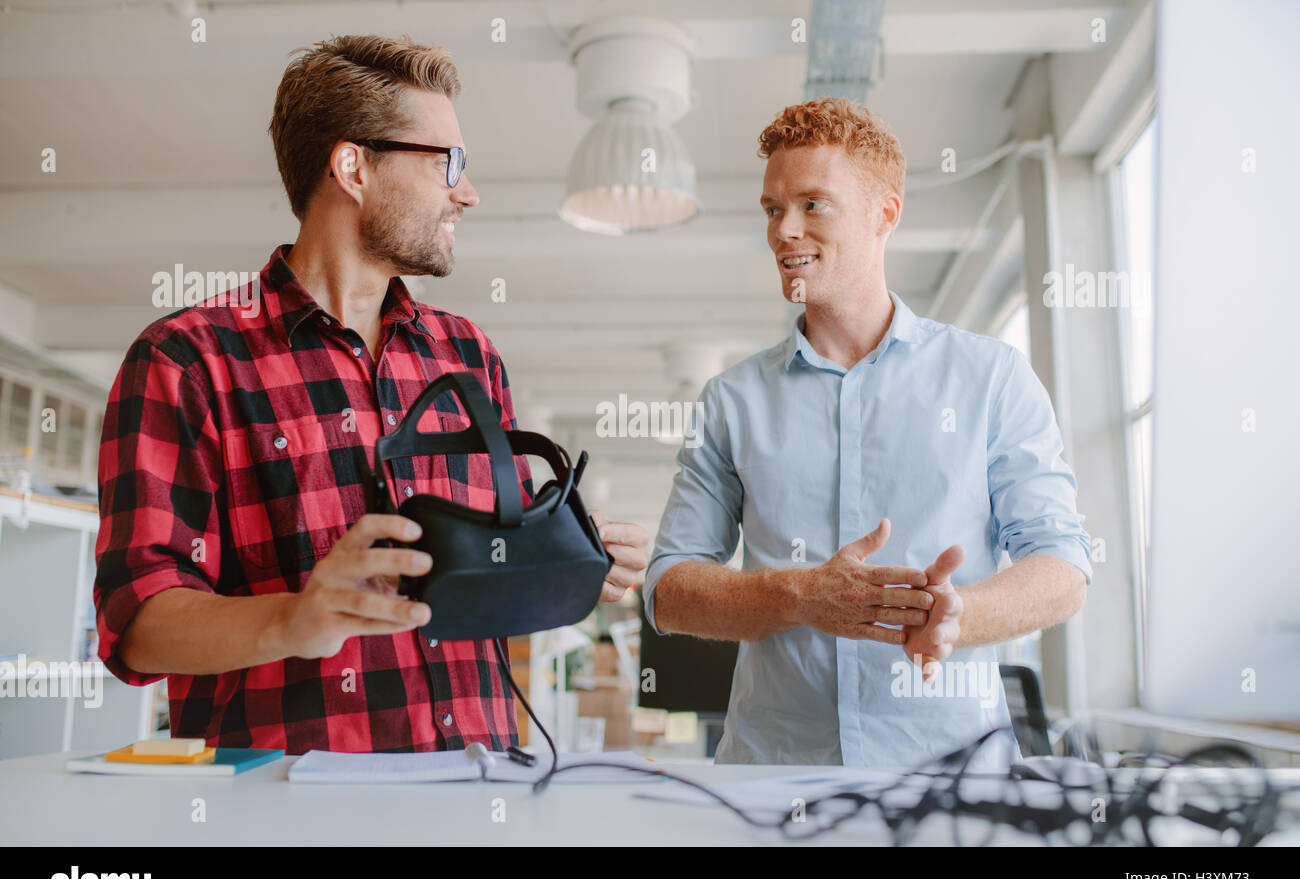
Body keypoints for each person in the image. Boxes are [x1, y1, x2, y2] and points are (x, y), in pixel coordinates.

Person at [93, 35, 648, 754]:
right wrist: (293, 620)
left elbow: (484, 579)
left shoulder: (470, 358)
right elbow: (136, 625)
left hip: (475, 788)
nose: (468, 192)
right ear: (352, 166)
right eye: (447, 162)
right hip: (283, 806)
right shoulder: (188, 360)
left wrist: (564, 554)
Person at [643, 98, 1091, 769]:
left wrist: (962, 613)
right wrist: (798, 595)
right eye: (772, 209)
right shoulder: (732, 400)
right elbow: (669, 592)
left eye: (813, 205)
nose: (783, 231)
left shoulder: (991, 377)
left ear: (885, 215)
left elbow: (1063, 567)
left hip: (948, 781)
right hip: (773, 781)